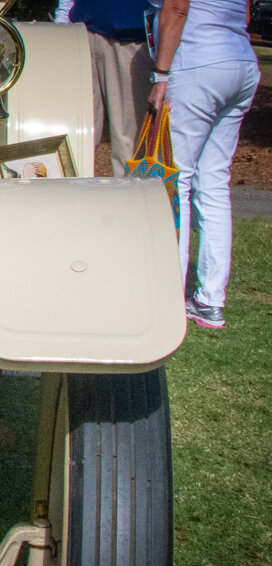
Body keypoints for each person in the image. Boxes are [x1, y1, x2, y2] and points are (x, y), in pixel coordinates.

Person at [148, 0, 260, 329]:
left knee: (175, 181)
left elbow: (176, 8)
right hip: (238, 61)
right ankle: (210, 300)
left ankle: (169, 292)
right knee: (213, 183)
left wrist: (161, 74)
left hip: (197, 64)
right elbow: (246, 13)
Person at [56, 0, 155, 176]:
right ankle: (72, 199)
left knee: (128, 142)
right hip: (81, 30)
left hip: (132, 33)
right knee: (75, 133)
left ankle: (128, 201)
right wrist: (62, 21)